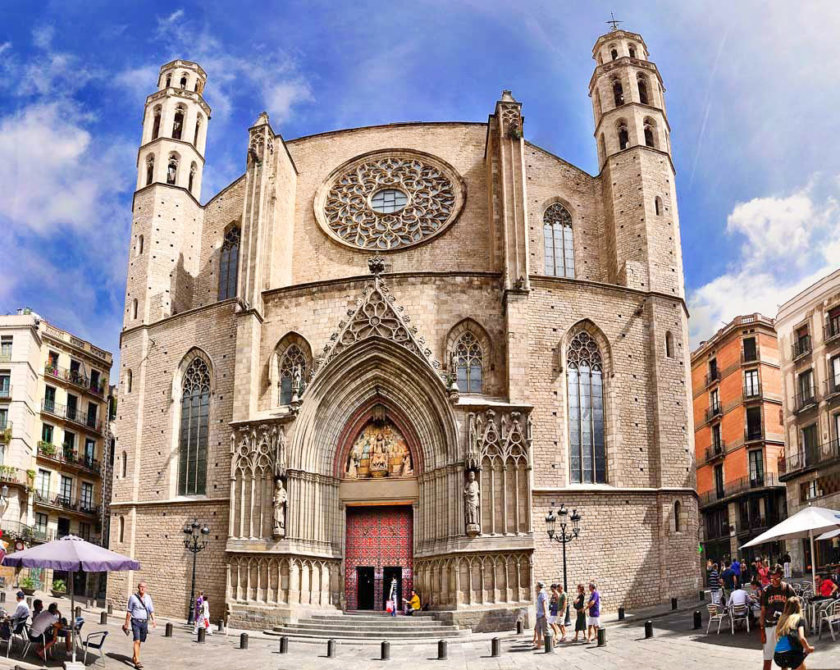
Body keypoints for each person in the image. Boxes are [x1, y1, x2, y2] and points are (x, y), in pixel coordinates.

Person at [760, 565, 796, 670]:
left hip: (783, 628)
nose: (774, 581)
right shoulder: (766, 591)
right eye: (771, 578)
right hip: (769, 627)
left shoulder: (788, 589)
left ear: (781, 575)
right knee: (767, 659)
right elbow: (763, 612)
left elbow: (795, 608)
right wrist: (762, 631)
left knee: (784, 660)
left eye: (777, 578)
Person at [773, 596, 814, 670]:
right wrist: (808, 648)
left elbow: (777, 637)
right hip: (791, 654)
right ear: (798, 606)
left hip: (778, 656)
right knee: (800, 664)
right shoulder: (799, 618)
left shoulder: (782, 618)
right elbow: (802, 638)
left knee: (785, 664)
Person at [123, 580, 156, 670]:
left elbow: (151, 610)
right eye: (141, 586)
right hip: (135, 622)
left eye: (144, 587)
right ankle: (137, 661)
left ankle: (134, 657)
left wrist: (154, 620)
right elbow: (129, 611)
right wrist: (126, 623)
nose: (142, 588)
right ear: (138, 587)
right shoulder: (133, 598)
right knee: (136, 641)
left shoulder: (148, 598)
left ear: (146, 588)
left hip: (144, 622)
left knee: (140, 641)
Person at [533, 581, 548, 649]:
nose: (536, 587)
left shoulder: (542, 593)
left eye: (537, 586)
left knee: (545, 630)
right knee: (538, 630)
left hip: (542, 615)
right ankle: (539, 645)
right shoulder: (539, 594)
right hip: (539, 614)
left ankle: (551, 643)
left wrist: (545, 613)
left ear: (539, 586)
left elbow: (544, 603)